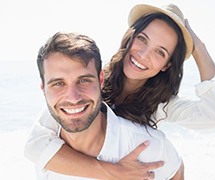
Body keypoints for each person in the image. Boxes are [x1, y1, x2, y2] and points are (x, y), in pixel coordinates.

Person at [25, 3, 215, 179]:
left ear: (167, 65)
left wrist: (198, 47)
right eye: (142, 39)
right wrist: (114, 172)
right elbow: (35, 145)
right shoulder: (89, 83)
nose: (143, 54)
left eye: (160, 52)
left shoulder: (163, 105)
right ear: (130, 36)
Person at [34, 31, 184, 180]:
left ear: (100, 80)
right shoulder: (45, 153)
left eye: (84, 80)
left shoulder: (147, 145)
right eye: (58, 84)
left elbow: (175, 171)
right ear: (43, 89)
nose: (73, 98)